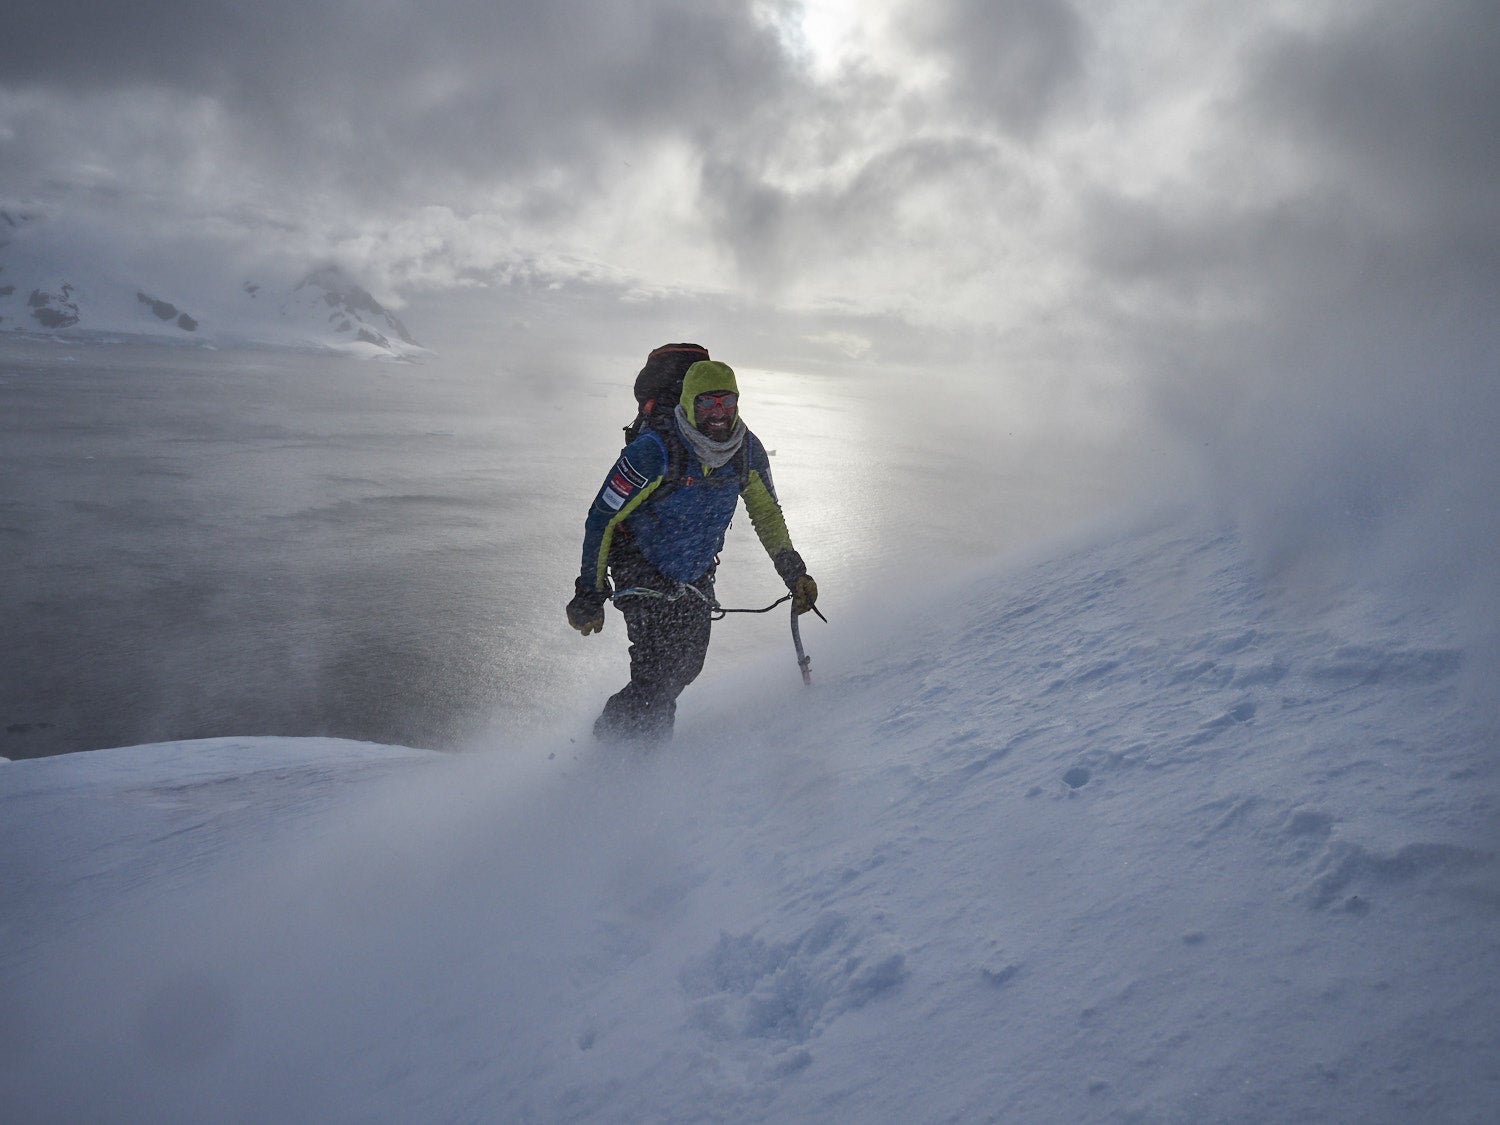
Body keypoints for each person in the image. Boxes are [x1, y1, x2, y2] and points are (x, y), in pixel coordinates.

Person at [567, 357, 818, 742]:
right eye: (706, 403)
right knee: (657, 675)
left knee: (685, 666)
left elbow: (767, 514)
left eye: (727, 401)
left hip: (695, 570)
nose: (718, 412)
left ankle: (611, 734)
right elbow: (603, 517)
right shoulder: (654, 451)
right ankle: (633, 763)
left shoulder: (746, 451)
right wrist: (590, 592)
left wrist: (794, 572)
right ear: (688, 403)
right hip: (640, 563)